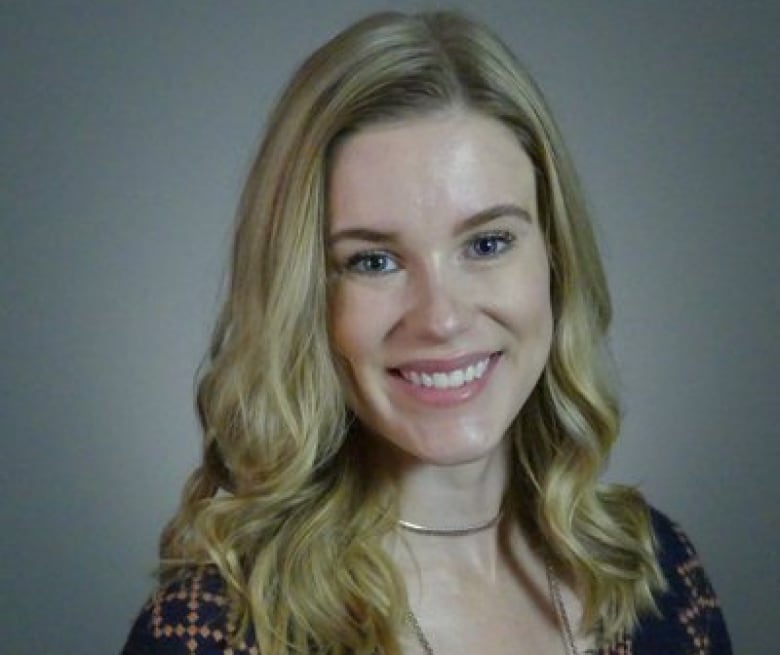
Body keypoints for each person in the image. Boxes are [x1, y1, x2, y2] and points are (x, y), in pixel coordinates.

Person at [122, 10, 731, 655]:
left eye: (488, 243)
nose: (440, 318)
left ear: (555, 258)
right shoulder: (211, 633)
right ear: (303, 299)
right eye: (373, 261)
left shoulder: (656, 572)